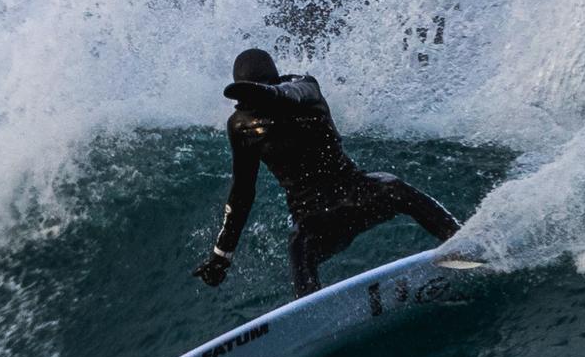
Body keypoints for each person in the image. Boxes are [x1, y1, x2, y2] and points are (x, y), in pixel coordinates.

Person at [196, 47, 462, 295]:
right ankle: (310, 311)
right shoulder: (241, 126)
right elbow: (242, 192)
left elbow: (296, 92)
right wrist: (222, 255)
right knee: (299, 246)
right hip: (314, 218)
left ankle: (462, 243)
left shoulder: (305, 87)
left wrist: (269, 94)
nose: (245, 103)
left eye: (251, 94)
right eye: (243, 97)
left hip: (354, 192)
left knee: (393, 187)